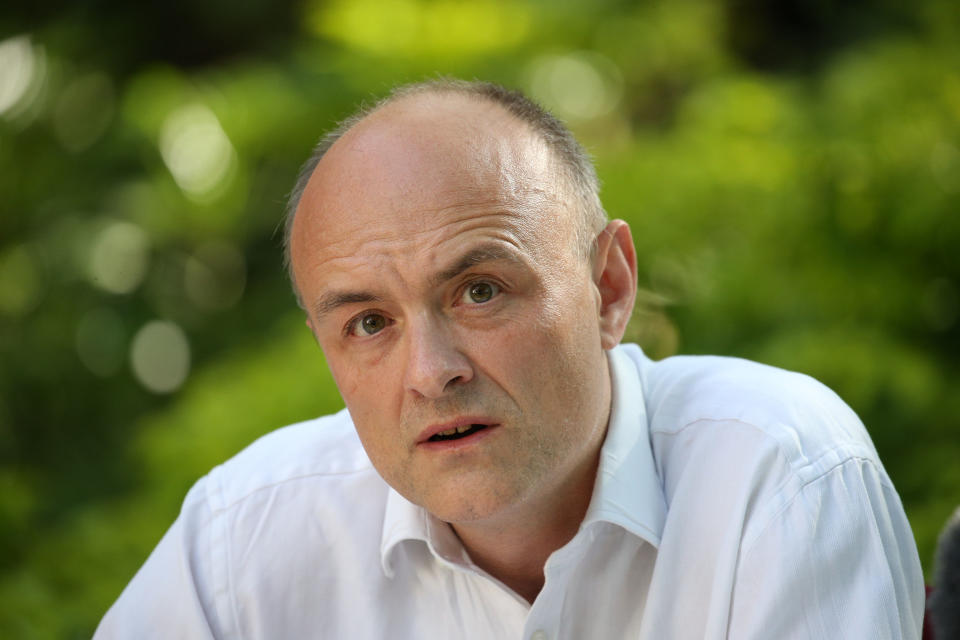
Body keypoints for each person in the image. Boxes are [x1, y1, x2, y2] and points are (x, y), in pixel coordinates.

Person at [95, 79, 925, 639]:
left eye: (480, 292)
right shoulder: (241, 537)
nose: (431, 372)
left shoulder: (780, 471)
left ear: (608, 286)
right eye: (370, 323)